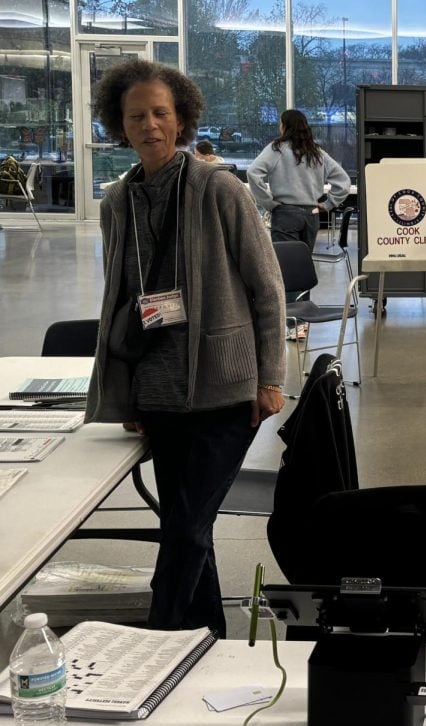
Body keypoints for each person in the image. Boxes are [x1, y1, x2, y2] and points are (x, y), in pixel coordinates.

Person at [84, 59, 286, 638]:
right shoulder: (116, 204)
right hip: (158, 394)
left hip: (226, 391)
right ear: (118, 127)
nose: (149, 125)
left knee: (185, 530)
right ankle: (205, 642)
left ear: (182, 120)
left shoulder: (220, 189)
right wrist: (127, 396)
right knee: (185, 524)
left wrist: (270, 377)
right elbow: (117, 297)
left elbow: (267, 289)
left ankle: (160, 637)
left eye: (160, 113)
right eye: (136, 116)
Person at [248, 109, 350, 252]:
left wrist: (269, 203)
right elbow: (344, 181)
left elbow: (253, 172)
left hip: (285, 214)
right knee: (303, 263)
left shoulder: (277, 149)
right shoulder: (317, 153)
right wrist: (328, 204)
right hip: (312, 215)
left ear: (284, 126)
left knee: (286, 264)